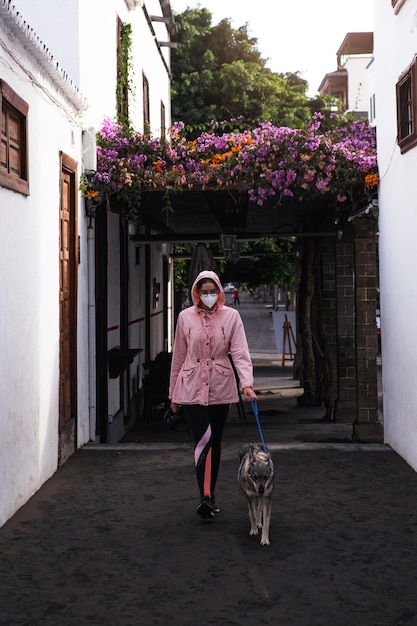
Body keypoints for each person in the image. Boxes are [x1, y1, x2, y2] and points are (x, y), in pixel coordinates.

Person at [169, 270, 257, 520]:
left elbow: (240, 352)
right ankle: (205, 497)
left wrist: (246, 384)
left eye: (212, 291)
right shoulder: (185, 317)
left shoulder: (232, 317)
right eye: (203, 292)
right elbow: (178, 357)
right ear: (196, 293)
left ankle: (211, 493)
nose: (208, 296)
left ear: (220, 292)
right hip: (190, 385)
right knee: (203, 439)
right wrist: (173, 395)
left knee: (215, 441)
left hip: (221, 385)